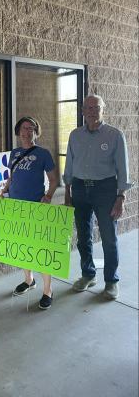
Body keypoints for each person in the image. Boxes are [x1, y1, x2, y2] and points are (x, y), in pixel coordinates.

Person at [63, 94, 131, 300]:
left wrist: (121, 197)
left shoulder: (114, 135)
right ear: (83, 111)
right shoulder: (75, 135)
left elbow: (123, 169)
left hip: (105, 189)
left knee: (109, 237)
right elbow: (70, 164)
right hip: (80, 188)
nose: (92, 111)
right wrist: (67, 191)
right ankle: (88, 274)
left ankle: (111, 281)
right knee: (83, 236)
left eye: (96, 107)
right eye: (88, 108)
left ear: (103, 109)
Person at [0, 117, 58, 310]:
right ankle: (29, 280)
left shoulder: (43, 154)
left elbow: (53, 179)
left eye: (31, 129)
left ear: (36, 132)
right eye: (24, 128)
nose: (27, 132)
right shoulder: (15, 153)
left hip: (35, 207)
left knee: (41, 249)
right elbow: (12, 176)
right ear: (18, 132)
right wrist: (4, 190)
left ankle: (47, 290)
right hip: (16, 206)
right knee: (23, 247)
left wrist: (48, 196)